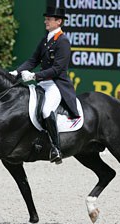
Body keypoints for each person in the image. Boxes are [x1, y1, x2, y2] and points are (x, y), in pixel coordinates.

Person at [9, 5, 79, 164]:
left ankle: (56, 148)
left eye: (49, 19)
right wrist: (17, 72)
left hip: (56, 84)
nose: (45, 21)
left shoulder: (63, 41)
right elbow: (33, 60)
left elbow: (57, 69)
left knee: (47, 110)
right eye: (46, 19)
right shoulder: (46, 39)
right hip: (42, 83)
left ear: (58, 21)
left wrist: (34, 75)